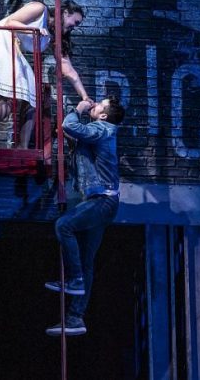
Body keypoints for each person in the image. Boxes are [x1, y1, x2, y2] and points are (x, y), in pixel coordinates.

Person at [44, 96, 125, 336]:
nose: (94, 104)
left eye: (99, 104)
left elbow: (70, 126)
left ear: (102, 115)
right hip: (103, 201)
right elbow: (75, 137)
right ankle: (75, 318)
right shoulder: (99, 130)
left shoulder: (103, 128)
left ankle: (75, 280)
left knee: (63, 226)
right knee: (87, 260)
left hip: (102, 201)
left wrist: (76, 109)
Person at [0, 0, 91, 148]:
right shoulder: (39, 9)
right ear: (65, 13)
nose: (73, 28)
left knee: (28, 98)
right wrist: (33, 31)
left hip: (8, 49)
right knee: (19, 97)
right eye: (75, 22)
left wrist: (85, 96)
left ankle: (20, 146)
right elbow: (10, 22)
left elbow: (68, 70)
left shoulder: (52, 36)